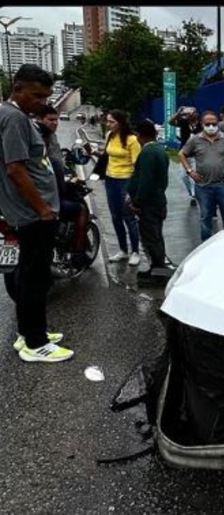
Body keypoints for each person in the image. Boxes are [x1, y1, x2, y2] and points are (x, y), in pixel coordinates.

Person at [0, 64, 73, 362]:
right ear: (18, 88)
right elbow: (15, 169)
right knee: (35, 279)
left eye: (46, 96)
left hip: (27, 213)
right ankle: (36, 343)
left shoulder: (11, 115)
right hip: (33, 216)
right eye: (38, 95)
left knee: (30, 278)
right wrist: (43, 209)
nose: (43, 102)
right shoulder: (14, 118)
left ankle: (28, 331)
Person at [34, 104, 88, 264]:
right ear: (39, 120)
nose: (54, 123)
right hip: (45, 203)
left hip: (23, 203)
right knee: (81, 209)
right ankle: (78, 253)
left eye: (56, 120)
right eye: (50, 120)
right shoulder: (41, 150)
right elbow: (55, 170)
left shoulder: (50, 139)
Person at [178, 111, 224, 242]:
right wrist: (190, 171)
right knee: (205, 217)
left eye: (214, 123)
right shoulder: (195, 140)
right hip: (203, 186)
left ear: (218, 124)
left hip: (223, 185)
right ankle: (206, 244)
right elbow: (181, 154)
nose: (211, 126)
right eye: (208, 124)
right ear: (202, 124)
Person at [126, 119, 169, 282]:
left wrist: (137, 202)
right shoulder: (158, 150)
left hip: (150, 205)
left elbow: (145, 181)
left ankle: (158, 273)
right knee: (155, 237)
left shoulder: (149, 152)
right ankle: (156, 270)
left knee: (152, 239)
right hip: (156, 202)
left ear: (139, 135)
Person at [103, 109, 141, 266]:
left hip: (126, 180)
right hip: (110, 179)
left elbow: (138, 166)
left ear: (121, 122)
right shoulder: (109, 136)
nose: (108, 124)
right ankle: (123, 250)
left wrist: (132, 190)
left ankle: (135, 252)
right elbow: (108, 155)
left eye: (112, 122)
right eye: (107, 121)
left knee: (129, 217)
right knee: (115, 216)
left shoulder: (132, 140)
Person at [169, 106, 202, 205]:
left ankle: (194, 196)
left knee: (194, 177)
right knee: (183, 176)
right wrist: (179, 113)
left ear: (196, 114)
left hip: (197, 155)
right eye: (187, 114)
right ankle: (192, 194)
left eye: (191, 113)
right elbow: (170, 122)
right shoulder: (184, 123)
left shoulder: (201, 125)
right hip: (184, 155)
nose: (189, 115)